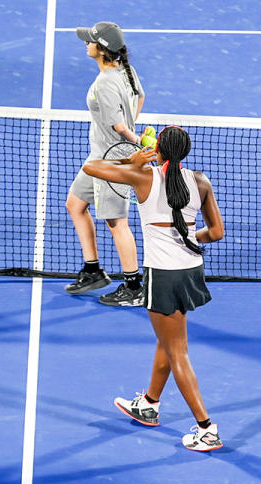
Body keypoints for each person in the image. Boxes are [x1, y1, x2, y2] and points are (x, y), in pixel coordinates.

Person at [80, 126, 226, 451]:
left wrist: (132, 163)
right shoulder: (200, 181)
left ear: (158, 149)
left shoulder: (143, 178)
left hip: (163, 275)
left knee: (177, 352)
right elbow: (215, 232)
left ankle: (207, 428)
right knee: (168, 340)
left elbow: (91, 167)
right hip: (189, 271)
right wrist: (188, 237)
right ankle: (149, 403)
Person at [65, 21, 150, 307]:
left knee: (117, 223)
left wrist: (132, 137)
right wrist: (131, 126)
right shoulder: (127, 71)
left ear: (101, 50)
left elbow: (118, 127)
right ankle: (93, 271)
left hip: (112, 160)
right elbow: (140, 97)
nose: (86, 44)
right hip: (98, 157)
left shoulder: (105, 83)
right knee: (75, 205)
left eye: (90, 41)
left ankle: (134, 285)